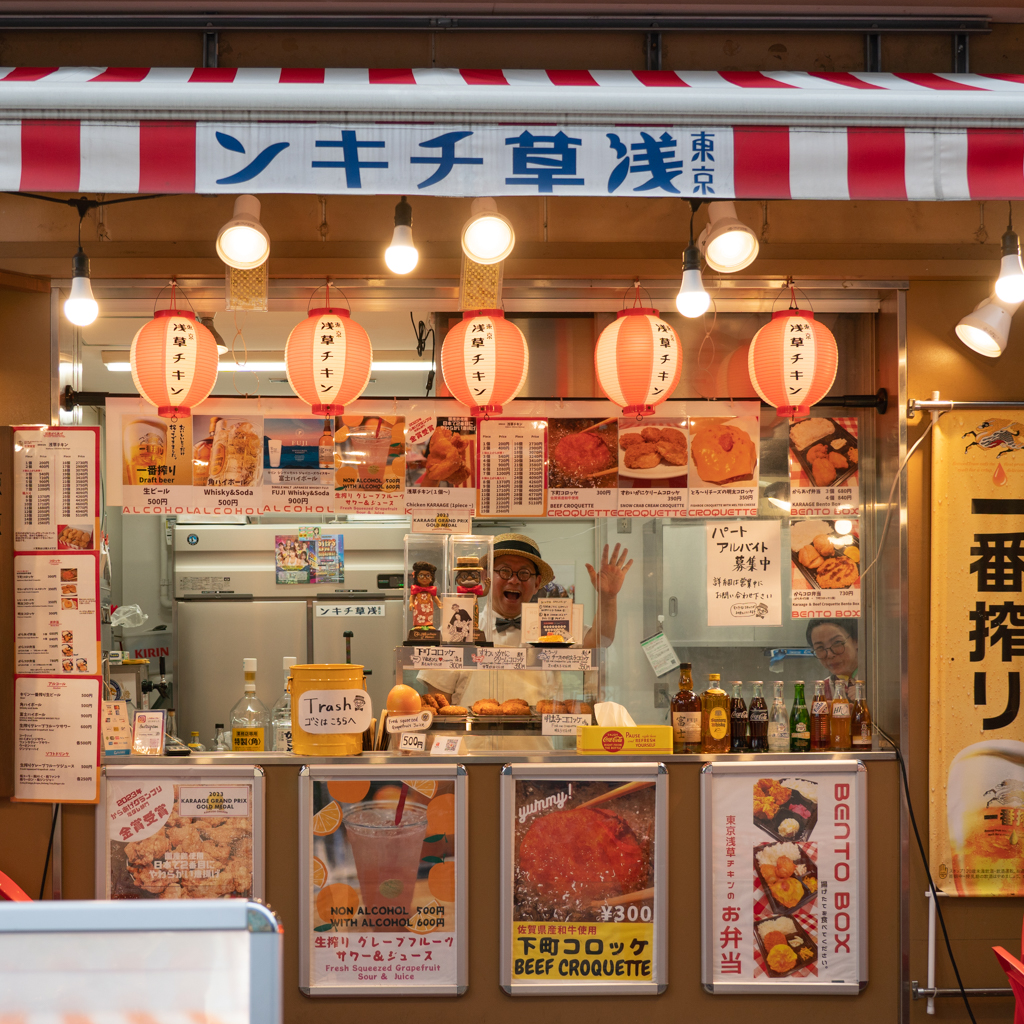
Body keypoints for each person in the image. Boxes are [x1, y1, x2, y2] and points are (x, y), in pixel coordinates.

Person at [420, 532, 633, 706]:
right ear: (486, 578)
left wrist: (608, 597)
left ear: (538, 583)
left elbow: (599, 642)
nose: (514, 580)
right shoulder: (457, 627)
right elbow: (438, 702)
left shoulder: (552, 626)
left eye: (524, 573)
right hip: (472, 753)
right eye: (504, 571)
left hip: (536, 752)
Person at [807, 619, 859, 686]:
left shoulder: (874, 682)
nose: (829, 655)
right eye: (820, 647)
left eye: (837, 643)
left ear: (856, 641)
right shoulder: (824, 688)